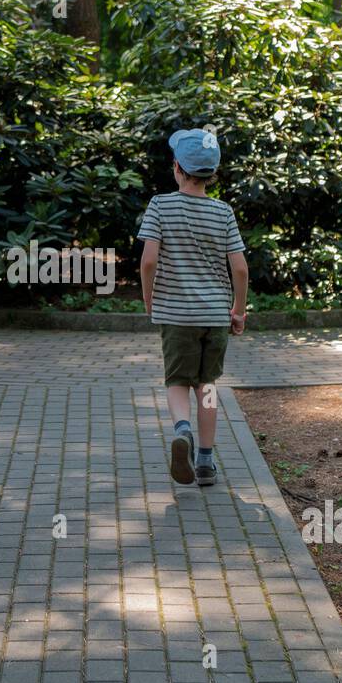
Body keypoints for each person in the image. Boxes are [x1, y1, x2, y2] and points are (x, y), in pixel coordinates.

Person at [137, 128, 248, 486]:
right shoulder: (223, 212)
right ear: (211, 174)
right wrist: (238, 310)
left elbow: (149, 261)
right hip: (215, 316)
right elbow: (241, 267)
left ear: (177, 168)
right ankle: (205, 462)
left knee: (177, 382)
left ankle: (182, 430)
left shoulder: (160, 205)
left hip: (177, 315)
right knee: (208, 385)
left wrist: (150, 298)